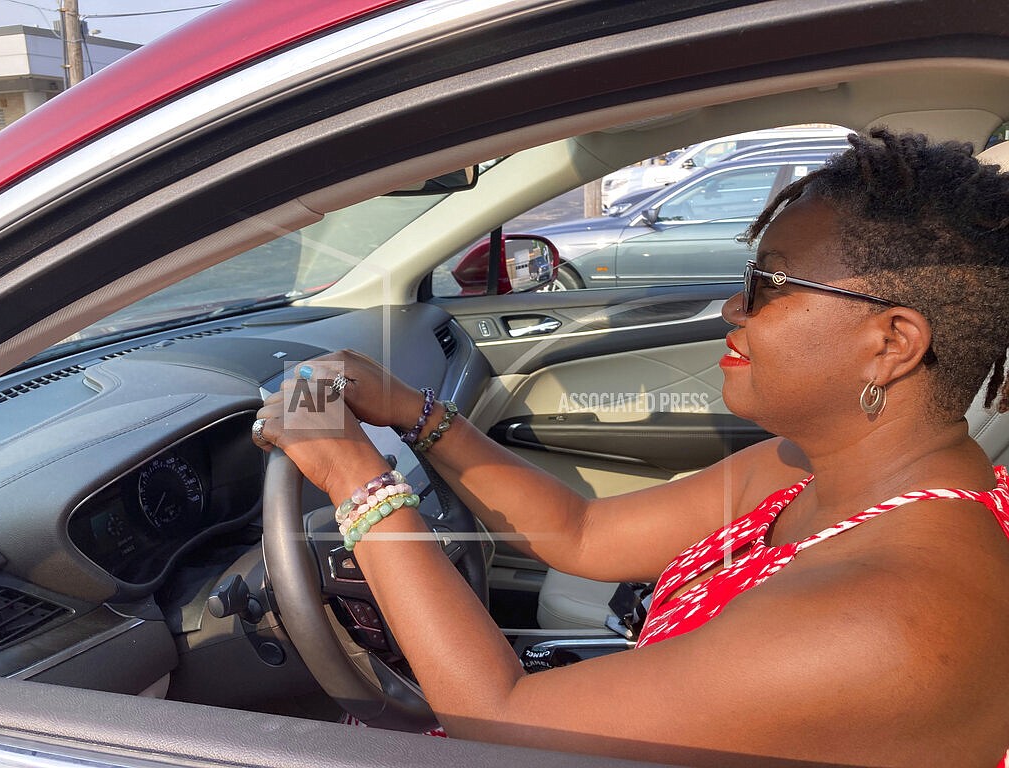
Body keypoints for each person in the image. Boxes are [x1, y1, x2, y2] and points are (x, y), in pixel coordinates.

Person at [253, 129, 1009, 767]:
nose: (731, 308)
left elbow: (497, 718)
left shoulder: (889, 616)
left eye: (768, 286)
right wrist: (411, 412)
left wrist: (355, 476)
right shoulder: (816, 469)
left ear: (894, 343)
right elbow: (584, 533)